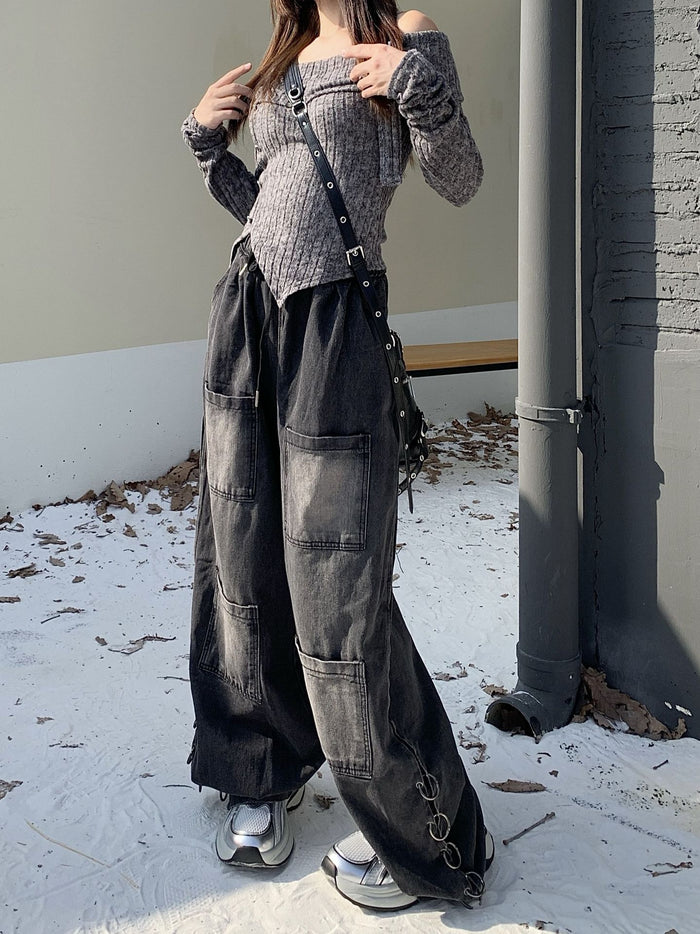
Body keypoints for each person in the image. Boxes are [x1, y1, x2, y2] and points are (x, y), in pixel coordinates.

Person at [180, 0, 492, 911]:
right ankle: (258, 773)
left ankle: (427, 832)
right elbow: (273, 207)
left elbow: (463, 178)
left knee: (338, 585)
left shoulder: (405, 32)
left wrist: (415, 85)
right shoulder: (283, 52)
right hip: (248, 314)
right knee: (241, 559)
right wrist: (208, 149)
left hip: (337, 329)